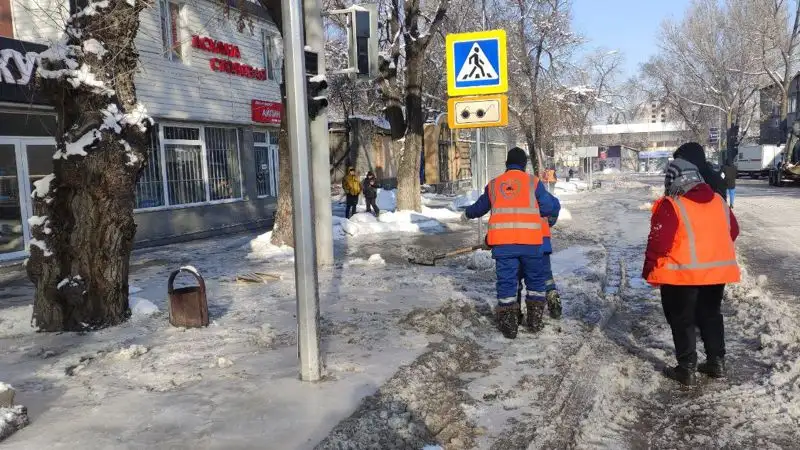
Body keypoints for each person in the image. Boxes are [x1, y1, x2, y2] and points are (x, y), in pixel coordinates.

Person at [643, 158, 740, 386]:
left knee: (682, 319)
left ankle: (686, 368)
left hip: (681, 275)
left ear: (673, 181)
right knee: (711, 315)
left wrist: (649, 269)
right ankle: (716, 361)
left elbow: (659, 242)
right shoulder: (718, 201)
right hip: (715, 274)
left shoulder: (672, 204)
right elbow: (733, 231)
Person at [461, 147, 560, 338]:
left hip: (503, 245)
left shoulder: (495, 184)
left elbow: (480, 207)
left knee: (507, 281)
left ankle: (509, 323)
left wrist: (466, 214)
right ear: (524, 165)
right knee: (535, 280)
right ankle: (534, 320)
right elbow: (548, 206)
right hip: (531, 244)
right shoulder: (533, 183)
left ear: (507, 164)